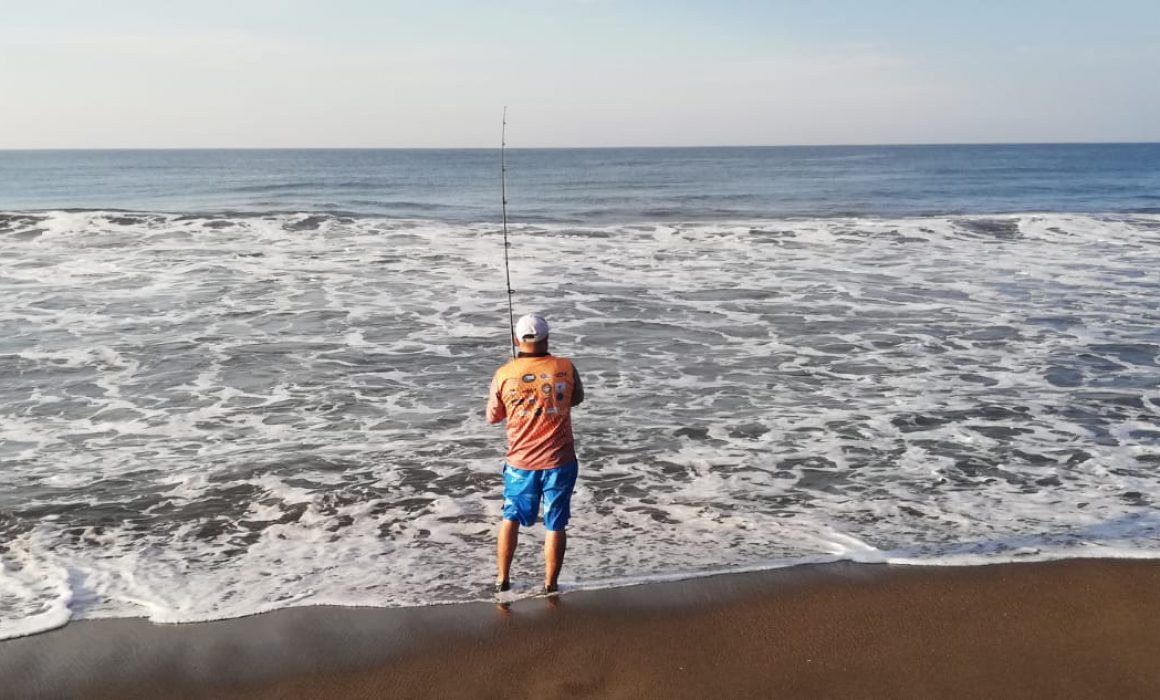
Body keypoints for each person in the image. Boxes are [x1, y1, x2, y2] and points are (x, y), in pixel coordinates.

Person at [486, 313, 584, 595]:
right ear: (547, 338)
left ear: (518, 340)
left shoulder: (505, 373)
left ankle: (502, 578)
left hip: (520, 463)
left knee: (510, 517)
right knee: (556, 522)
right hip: (560, 460)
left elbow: (493, 416)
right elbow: (576, 399)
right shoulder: (565, 367)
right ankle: (550, 585)